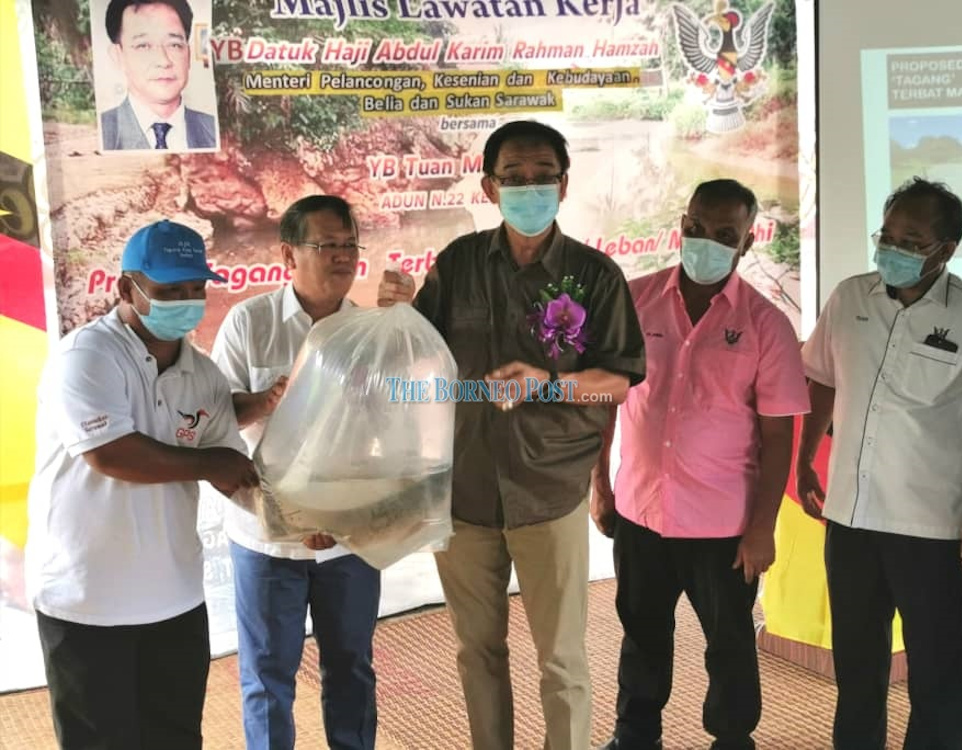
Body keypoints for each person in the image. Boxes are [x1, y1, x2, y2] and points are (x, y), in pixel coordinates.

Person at [378, 120, 646, 750]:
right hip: (464, 492)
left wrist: (548, 382)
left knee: (562, 660)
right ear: (489, 187)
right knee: (477, 652)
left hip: (548, 490)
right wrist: (396, 313)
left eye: (542, 178)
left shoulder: (595, 275)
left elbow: (616, 383)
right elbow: (418, 357)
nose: (530, 189)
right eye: (515, 178)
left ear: (564, 185)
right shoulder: (459, 263)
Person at [591, 179, 810, 750]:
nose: (705, 241)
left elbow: (778, 437)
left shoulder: (766, 324)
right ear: (682, 224)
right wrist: (600, 485)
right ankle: (635, 735)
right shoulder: (634, 300)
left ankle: (732, 738)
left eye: (724, 234)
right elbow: (605, 402)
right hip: (640, 511)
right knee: (641, 635)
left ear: (748, 241)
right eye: (696, 227)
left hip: (724, 526)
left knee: (728, 643)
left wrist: (762, 528)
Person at [25, 220, 258, 750]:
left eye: (195, 289)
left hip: (174, 599)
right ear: (127, 289)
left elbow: (235, 475)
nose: (187, 301)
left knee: (176, 738)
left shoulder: (203, 374)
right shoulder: (87, 356)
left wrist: (299, 521)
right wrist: (210, 463)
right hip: (87, 599)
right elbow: (111, 453)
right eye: (169, 290)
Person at [796, 177, 962, 750]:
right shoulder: (849, 299)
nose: (892, 249)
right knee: (857, 665)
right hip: (851, 518)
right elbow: (821, 380)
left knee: (936, 670)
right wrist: (806, 458)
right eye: (886, 236)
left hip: (929, 524)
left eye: (911, 241)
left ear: (946, 249)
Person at [211, 195, 381, 750]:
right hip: (266, 539)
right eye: (328, 244)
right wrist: (266, 400)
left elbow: (391, 432)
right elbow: (217, 420)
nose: (343, 256)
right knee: (267, 677)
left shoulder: (371, 332)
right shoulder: (250, 322)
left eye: (350, 244)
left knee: (351, 668)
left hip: (347, 538)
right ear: (288, 254)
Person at [100, 0, 217, 151]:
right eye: (143, 46)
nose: (163, 61)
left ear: (188, 54)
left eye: (174, 45)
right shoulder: (101, 133)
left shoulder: (216, 130)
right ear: (118, 56)